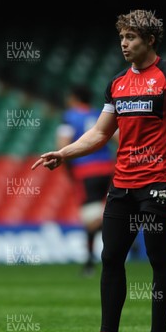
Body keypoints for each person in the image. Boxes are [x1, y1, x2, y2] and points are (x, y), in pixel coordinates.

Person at [32, 9, 166, 332]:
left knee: (158, 260)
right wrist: (63, 153)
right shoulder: (117, 83)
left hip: (159, 182)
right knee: (111, 258)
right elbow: (99, 133)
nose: (124, 44)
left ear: (150, 40)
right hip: (122, 184)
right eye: (122, 37)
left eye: (131, 37)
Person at [56, 85, 115, 276]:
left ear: (74, 98)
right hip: (107, 169)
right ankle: (117, 233)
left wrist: (68, 171)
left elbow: (62, 145)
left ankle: (90, 262)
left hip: (85, 171)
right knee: (97, 212)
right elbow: (119, 137)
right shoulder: (100, 115)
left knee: (90, 218)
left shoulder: (69, 116)